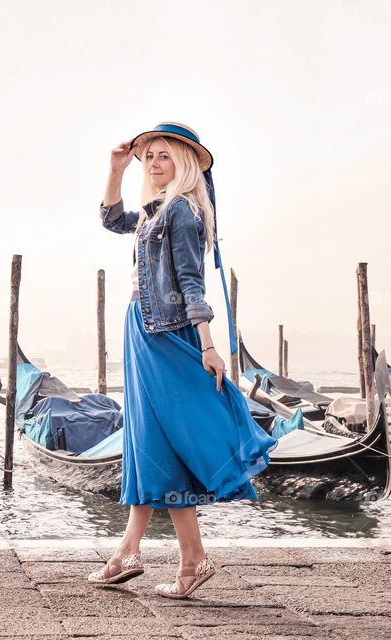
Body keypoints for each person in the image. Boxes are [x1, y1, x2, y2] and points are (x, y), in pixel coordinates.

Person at [87, 122, 277, 599]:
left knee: (158, 438)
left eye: (163, 155)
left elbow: (193, 284)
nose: (153, 162)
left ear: (184, 162)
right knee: (149, 440)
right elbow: (111, 220)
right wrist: (114, 169)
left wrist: (209, 345)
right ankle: (171, 556)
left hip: (168, 336)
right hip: (142, 330)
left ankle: (150, 554)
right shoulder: (154, 211)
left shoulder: (183, 213)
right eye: (147, 155)